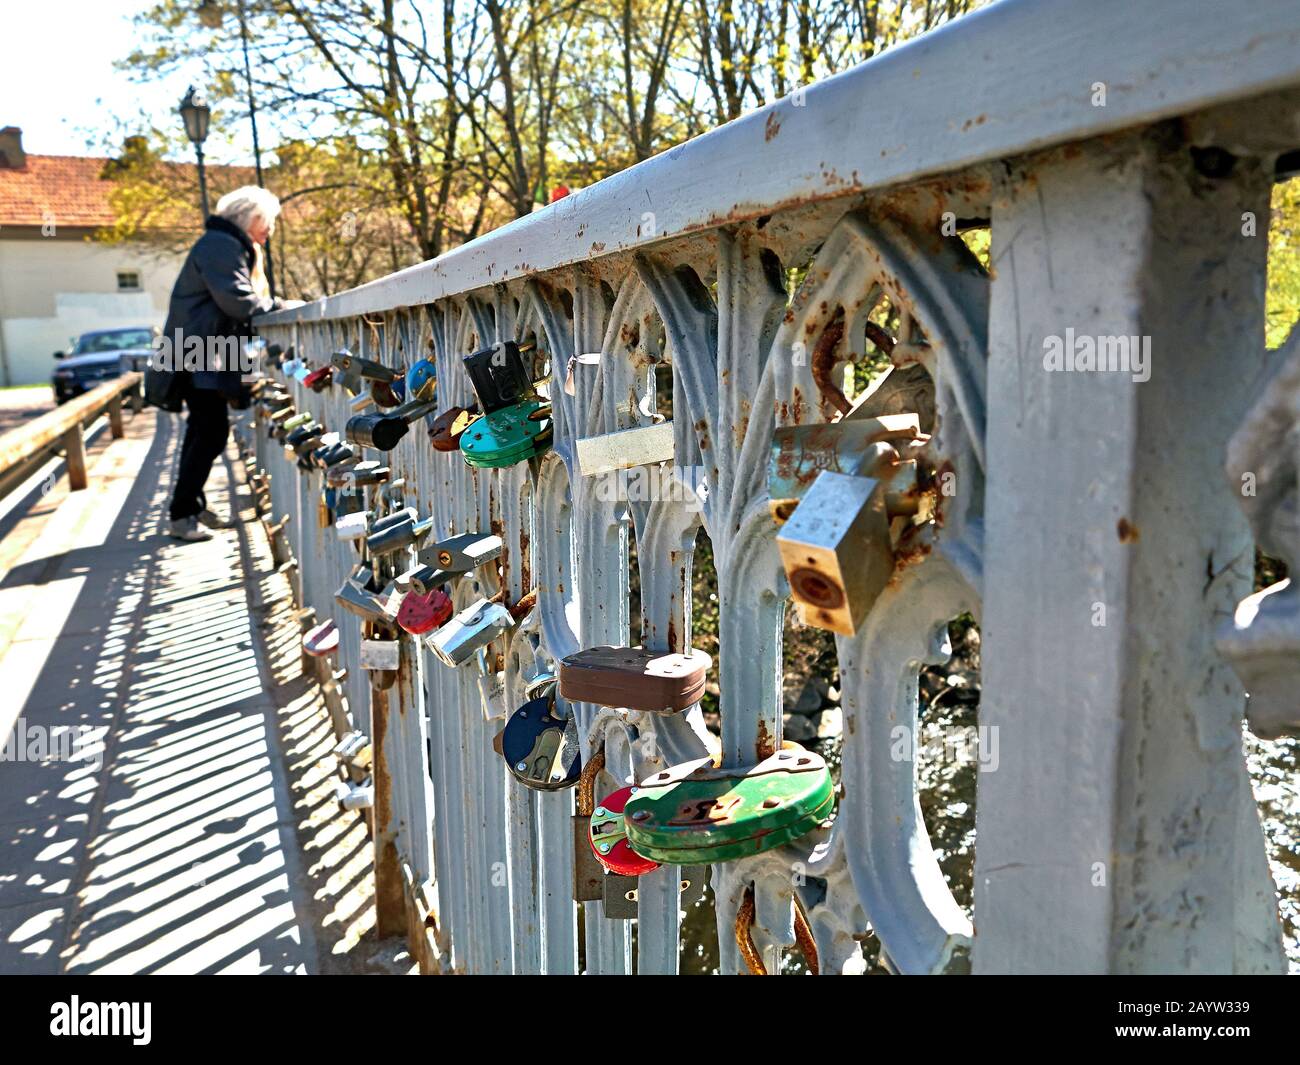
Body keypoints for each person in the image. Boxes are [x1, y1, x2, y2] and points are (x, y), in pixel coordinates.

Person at [163, 186, 288, 541]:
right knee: (210, 431)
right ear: (250, 217)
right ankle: (182, 512)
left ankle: (190, 506)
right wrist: (281, 306)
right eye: (268, 222)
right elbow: (237, 301)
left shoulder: (220, 242)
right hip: (201, 352)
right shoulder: (221, 244)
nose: (270, 231)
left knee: (203, 430)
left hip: (201, 350)